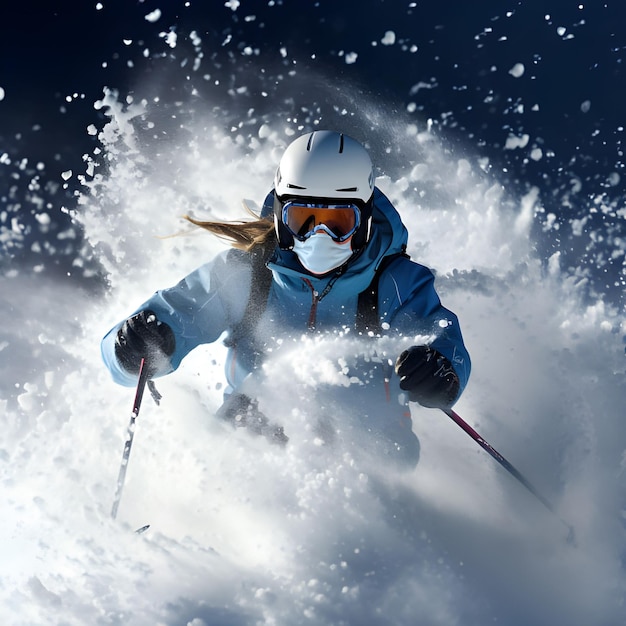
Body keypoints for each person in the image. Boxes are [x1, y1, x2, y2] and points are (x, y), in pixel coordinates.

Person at [101, 130, 471, 466]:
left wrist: (440, 370)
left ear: (366, 220)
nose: (319, 237)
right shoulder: (248, 273)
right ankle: (201, 526)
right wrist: (133, 347)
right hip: (251, 443)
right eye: (304, 220)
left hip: (369, 455)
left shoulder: (393, 282)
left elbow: (442, 337)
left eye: (339, 222)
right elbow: (177, 314)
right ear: (280, 216)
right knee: (237, 437)